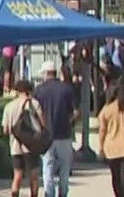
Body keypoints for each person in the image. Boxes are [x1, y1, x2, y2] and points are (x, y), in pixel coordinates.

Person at [33, 63, 82, 197]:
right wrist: (69, 122)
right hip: (64, 134)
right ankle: (63, 192)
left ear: (45, 73)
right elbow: (77, 112)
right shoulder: (67, 89)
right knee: (65, 167)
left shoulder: (39, 91)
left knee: (47, 167)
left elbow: (33, 113)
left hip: (47, 135)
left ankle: (49, 193)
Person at [3, 79, 45, 197]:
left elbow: (5, 130)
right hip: (32, 145)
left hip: (15, 146)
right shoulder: (34, 104)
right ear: (29, 90)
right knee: (34, 175)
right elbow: (43, 123)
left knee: (17, 176)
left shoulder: (9, 107)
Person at [96, 81, 124, 197]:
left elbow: (102, 131)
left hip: (111, 147)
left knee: (116, 177)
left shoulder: (107, 109)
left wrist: (101, 148)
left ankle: (118, 194)